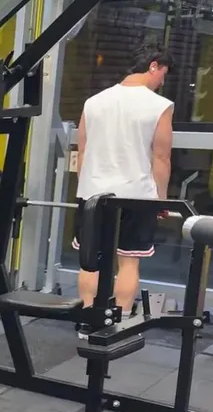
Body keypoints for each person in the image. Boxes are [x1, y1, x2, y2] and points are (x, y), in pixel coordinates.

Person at [74, 45, 174, 315]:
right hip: (136, 195)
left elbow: (82, 150)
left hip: (93, 193)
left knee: (89, 261)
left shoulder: (93, 102)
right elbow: (161, 157)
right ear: (153, 66)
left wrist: (85, 187)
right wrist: (161, 199)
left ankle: (88, 317)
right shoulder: (160, 106)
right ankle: (121, 319)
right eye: (163, 74)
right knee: (128, 262)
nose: (162, 82)